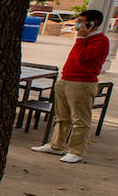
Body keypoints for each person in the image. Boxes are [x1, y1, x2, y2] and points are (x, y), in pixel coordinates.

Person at [32, 10, 110, 163]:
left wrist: (81, 38)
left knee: (80, 119)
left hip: (82, 83)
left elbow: (82, 58)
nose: (78, 24)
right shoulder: (82, 40)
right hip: (66, 80)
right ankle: (56, 145)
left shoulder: (100, 41)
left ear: (92, 24)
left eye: (81, 21)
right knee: (62, 117)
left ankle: (76, 150)